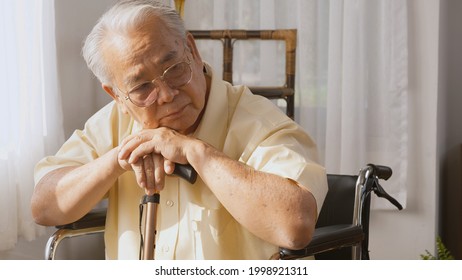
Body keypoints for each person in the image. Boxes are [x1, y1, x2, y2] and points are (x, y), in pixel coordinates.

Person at [31, 0, 327, 260]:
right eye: (142, 87)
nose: (166, 94)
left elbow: (295, 226)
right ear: (116, 96)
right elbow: (44, 207)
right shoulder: (113, 122)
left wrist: (196, 152)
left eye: (174, 69)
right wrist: (118, 159)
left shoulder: (257, 120)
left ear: (193, 51)